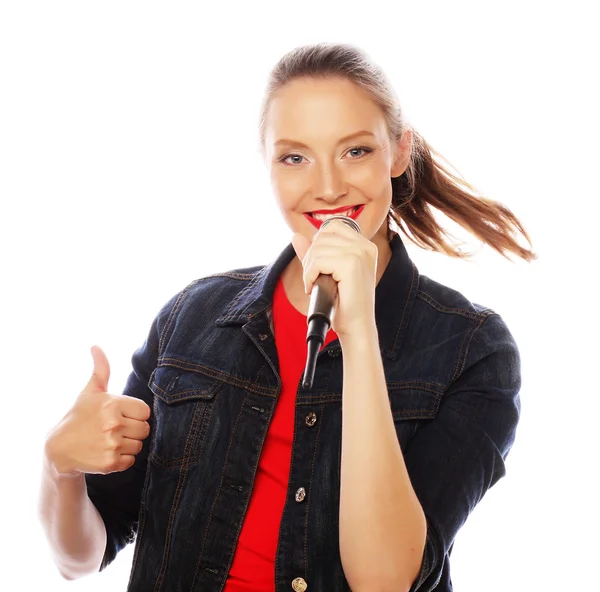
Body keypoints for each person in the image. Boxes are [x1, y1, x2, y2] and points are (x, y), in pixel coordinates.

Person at [38, 42, 536, 592]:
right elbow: (80, 557)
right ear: (269, 166)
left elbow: (386, 579)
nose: (326, 186)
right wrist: (60, 470)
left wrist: (360, 335)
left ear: (398, 153)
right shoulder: (191, 318)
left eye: (355, 152)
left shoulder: (472, 350)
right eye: (295, 157)